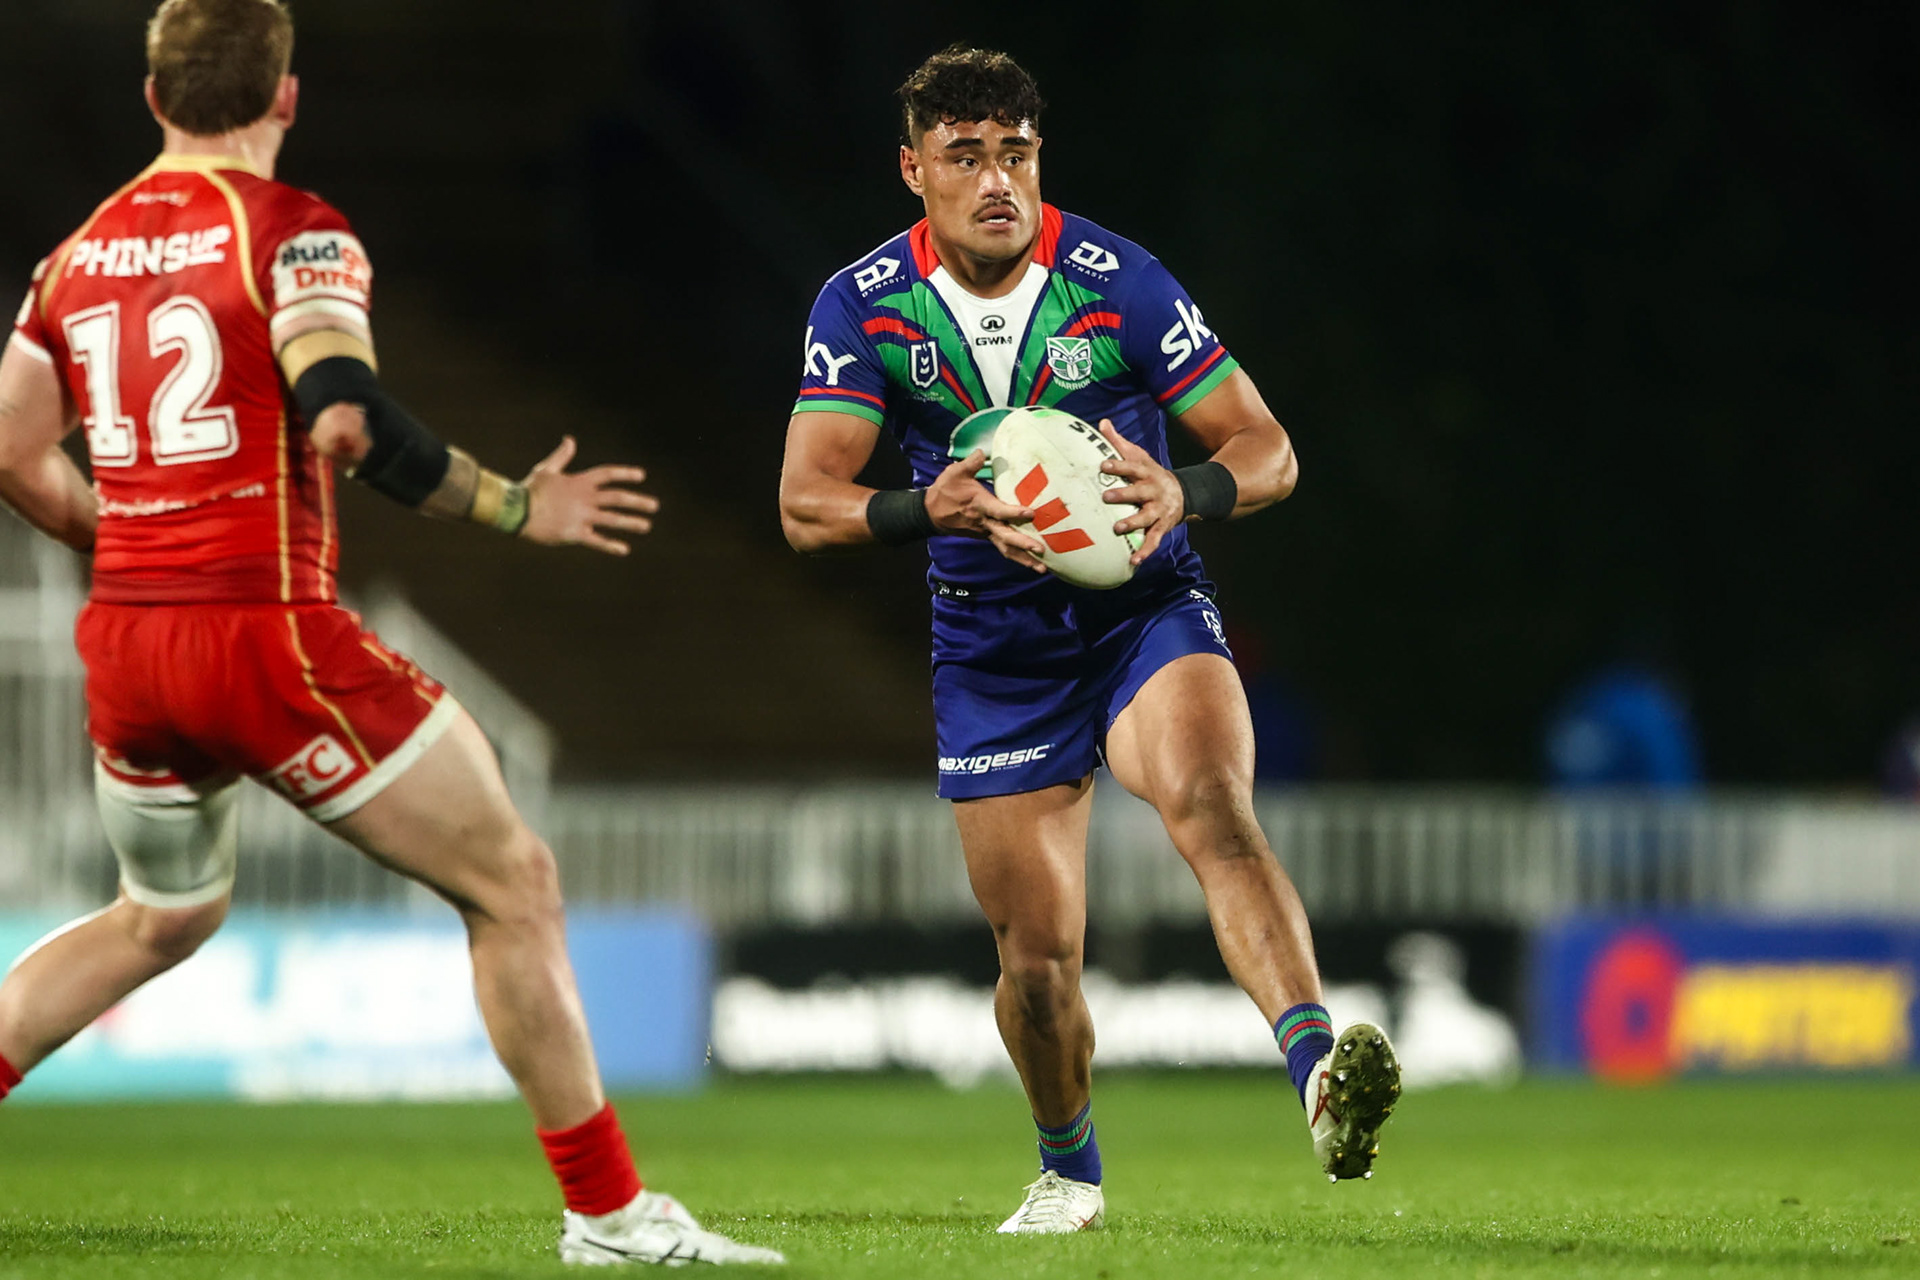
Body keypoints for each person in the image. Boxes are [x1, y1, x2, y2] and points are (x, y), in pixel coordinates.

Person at [0, 0, 779, 1266]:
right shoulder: (291, 228)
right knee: (513, 882)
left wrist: (128, 535)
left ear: (152, 99)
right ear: (286, 97)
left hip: (128, 647)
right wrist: (517, 504)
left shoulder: (72, 258)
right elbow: (345, 407)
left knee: (159, 913)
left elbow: (12, 447)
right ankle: (608, 1214)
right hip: (263, 634)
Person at [779, 44, 1400, 1234]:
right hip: (994, 649)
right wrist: (928, 508)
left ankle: (1319, 1075)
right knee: (1036, 964)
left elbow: (1268, 449)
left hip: (1141, 609)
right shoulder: (864, 305)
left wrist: (1187, 490)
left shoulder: (1118, 283)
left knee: (1212, 804)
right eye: (966, 156)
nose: (996, 180)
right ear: (914, 170)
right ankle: (1068, 1168)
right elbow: (807, 504)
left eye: (1015, 153)